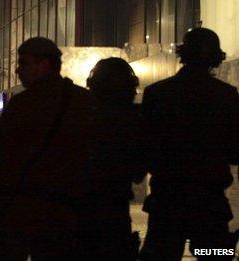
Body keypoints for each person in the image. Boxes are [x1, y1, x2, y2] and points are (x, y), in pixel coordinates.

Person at [0, 37, 92, 260]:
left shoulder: (22, 105)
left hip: (20, 210)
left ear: (43, 65)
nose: (18, 70)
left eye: (24, 63)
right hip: (64, 211)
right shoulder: (83, 101)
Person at [139, 28, 239, 261]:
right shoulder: (226, 96)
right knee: (215, 254)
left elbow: (145, 146)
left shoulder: (157, 93)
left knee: (160, 255)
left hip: (166, 200)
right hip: (210, 202)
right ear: (216, 57)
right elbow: (235, 151)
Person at [81, 58, 147, 260]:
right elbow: (138, 173)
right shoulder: (134, 120)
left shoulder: (79, 116)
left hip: (80, 209)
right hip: (115, 209)